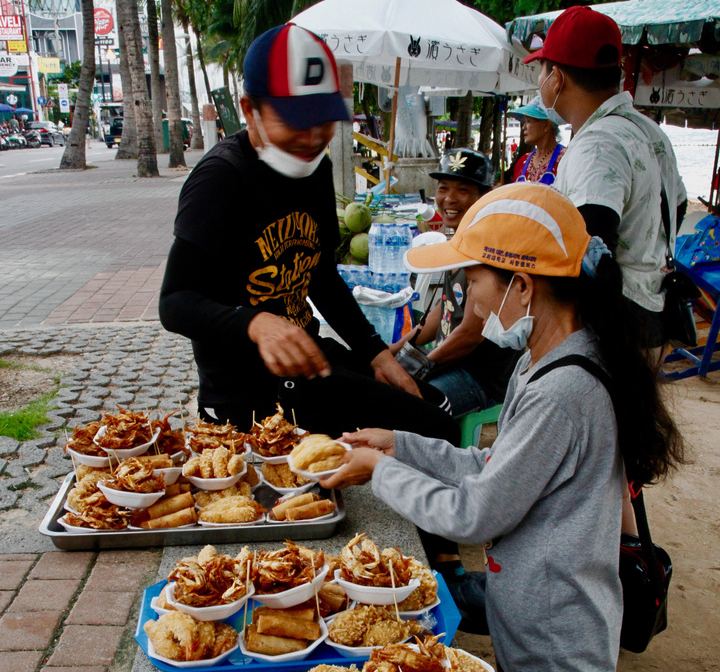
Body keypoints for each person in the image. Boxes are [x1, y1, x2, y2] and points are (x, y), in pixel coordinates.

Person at [324, 183, 684, 672]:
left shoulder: (564, 389)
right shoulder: (549, 360)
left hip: (559, 658)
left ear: (522, 286)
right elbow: (492, 469)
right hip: (538, 635)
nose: (467, 300)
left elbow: (481, 509)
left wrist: (382, 471)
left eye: (474, 284)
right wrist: (403, 443)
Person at [158, 22, 456, 446]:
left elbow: (321, 276)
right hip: (249, 389)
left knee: (435, 404)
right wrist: (257, 324)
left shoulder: (314, 166)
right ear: (250, 110)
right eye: (296, 120)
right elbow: (174, 303)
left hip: (309, 360)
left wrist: (374, 354)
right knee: (434, 429)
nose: (313, 137)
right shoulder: (221, 178)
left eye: (323, 120)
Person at [523, 5, 687, 352]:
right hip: (652, 309)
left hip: (613, 328)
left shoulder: (596, 145)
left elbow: (590, 251)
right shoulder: (651, 132)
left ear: (557, 79)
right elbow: (679, 204)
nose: (539, 82)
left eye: (541, 69)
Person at [393, 148, 521, 417]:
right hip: (449, 362)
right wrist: (394, 349)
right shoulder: (459, 239)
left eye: (462, 190)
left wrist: (421, 364)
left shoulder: (489, 249)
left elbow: (469, 334)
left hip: (477, 376)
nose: (449, 199)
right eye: (443, 188)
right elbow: (443, 308)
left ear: (483, 197)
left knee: (409, 410)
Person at [510, 96, 565, 183]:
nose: (523, 127)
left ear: (546, 125)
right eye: (524, 122)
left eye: (528, 121)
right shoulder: (522, 162)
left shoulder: (565, 160)